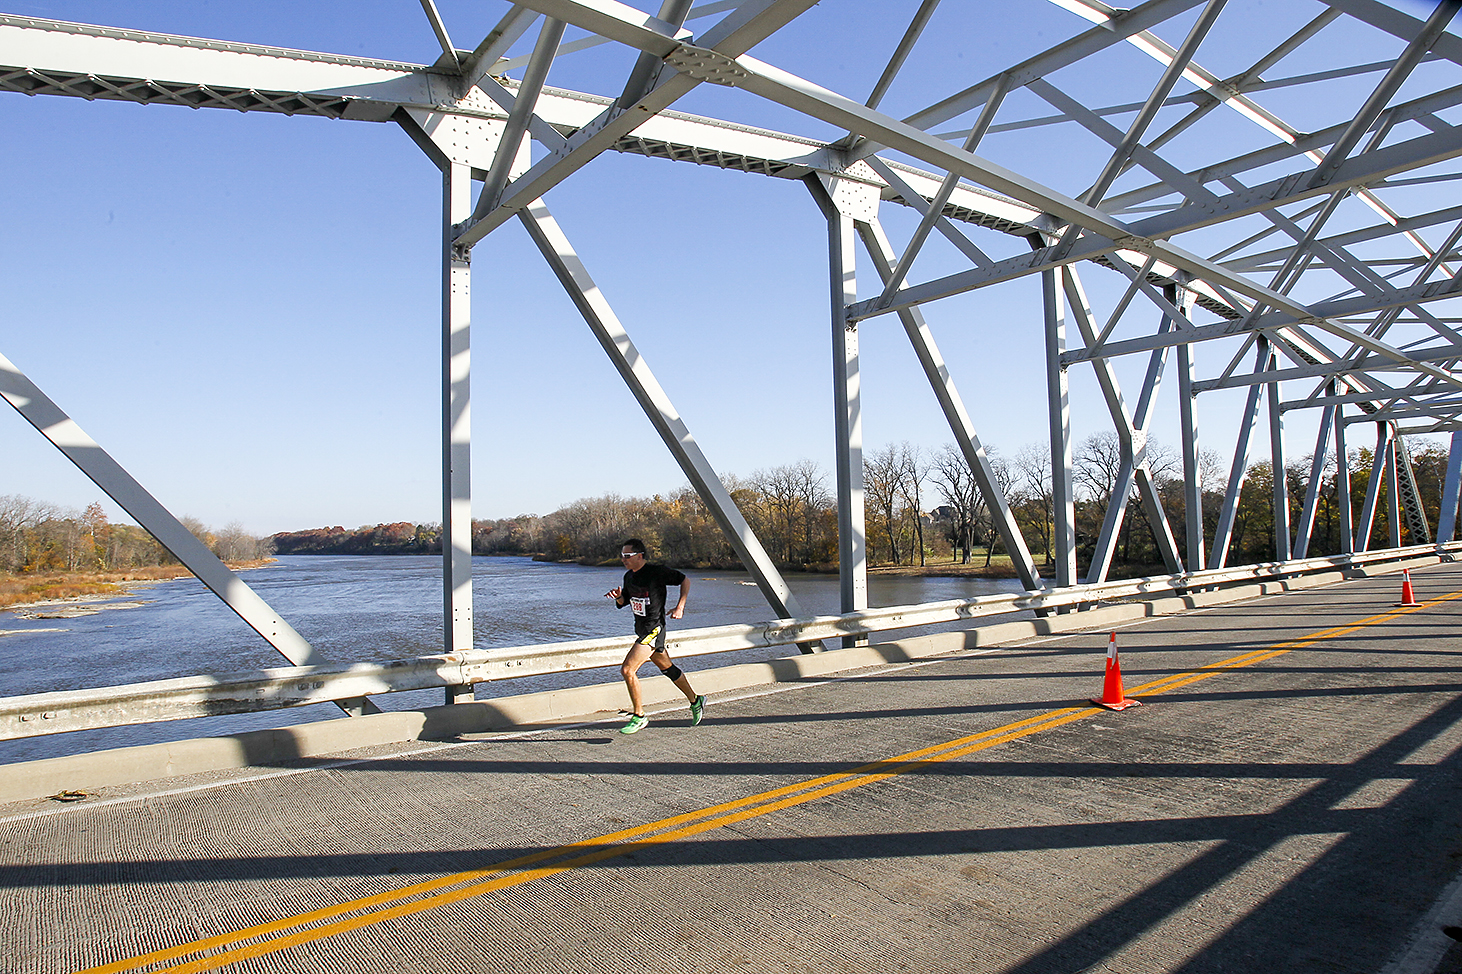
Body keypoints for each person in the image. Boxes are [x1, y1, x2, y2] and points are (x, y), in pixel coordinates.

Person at [604, 538, 705, 734]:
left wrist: (680, 606)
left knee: (627, 670)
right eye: (622, 556)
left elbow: (685, 580)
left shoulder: (657, 572)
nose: (623, 559)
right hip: (641, 629)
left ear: (639, 556)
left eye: (627, 556)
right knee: (668, 669)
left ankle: (639, 716)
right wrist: (618, 597)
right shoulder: (628, 577)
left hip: (654, 629)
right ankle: (696, 700)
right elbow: (624, 601)